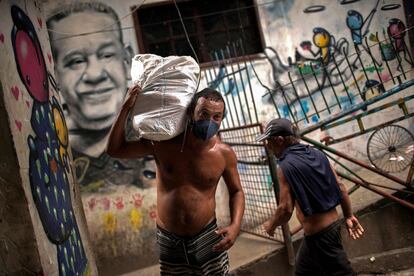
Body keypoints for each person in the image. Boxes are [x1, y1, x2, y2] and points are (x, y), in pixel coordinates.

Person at [106, 86, 245, 275]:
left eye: (216, 117)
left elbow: (236, 191)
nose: (209, 121)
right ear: (190, 112)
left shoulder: (224, 154)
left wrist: (236, 226)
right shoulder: (162, 144)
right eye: (203, 114)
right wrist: (125, 108)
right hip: (168, 239)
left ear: (222, 118)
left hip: (207, 236)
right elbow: (115, 149)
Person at [47, 2, 154, 188]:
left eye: (106, 55)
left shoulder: (153, 131)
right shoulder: (48, 146)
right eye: (76, 61)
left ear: (127, 60)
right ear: (54, 74)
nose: (95, 75)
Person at [257, 118, 364, 276]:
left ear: (279, 140)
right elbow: (341, 187)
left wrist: (271, 225)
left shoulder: (285, 167)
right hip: (321, 233)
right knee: (303, 272)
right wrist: (348, 215)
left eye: (268, 141)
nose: (268, 146)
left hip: (322, 236)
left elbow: (285, 209)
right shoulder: (317, 154)